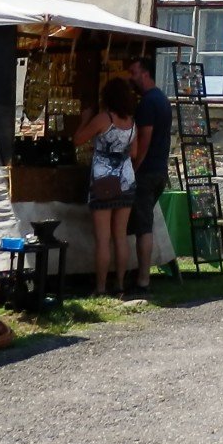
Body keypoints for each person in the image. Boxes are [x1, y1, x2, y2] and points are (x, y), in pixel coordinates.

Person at [73, 77, 140, 297]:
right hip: (126, 180)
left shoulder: (104, 118)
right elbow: (134, 153)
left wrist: (84, 120)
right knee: (120, 236)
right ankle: (120, 284)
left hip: (103, 180)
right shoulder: (131, 123)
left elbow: (78, 140)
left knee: (103, 238)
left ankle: (100, 287)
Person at [125, 55, 171, 294]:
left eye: (133, 72)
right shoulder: (161, 99)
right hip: (159, 169)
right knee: (144, 223)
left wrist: (134, 167)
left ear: (145, 73)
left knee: (143, 226)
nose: (131, 78)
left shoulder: (147, 103)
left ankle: (143, 278)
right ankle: (140, 273)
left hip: (146, 170)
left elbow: (145, 138)